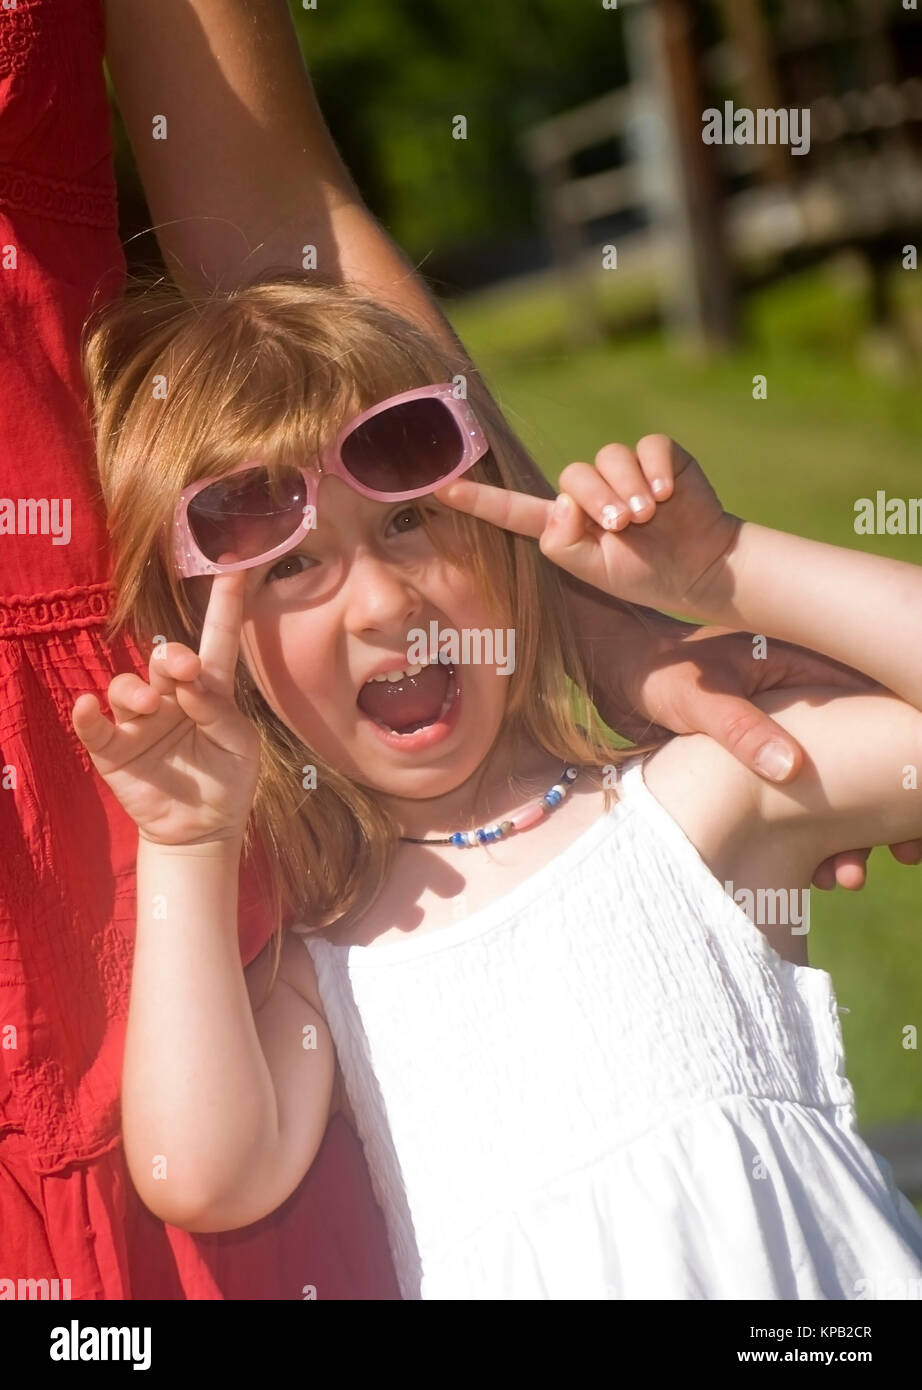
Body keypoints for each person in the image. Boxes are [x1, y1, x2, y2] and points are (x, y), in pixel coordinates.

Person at [0, 0, 914, 1301]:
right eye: (293, 564)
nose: (381, 603)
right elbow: (196, 1168)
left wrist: (727, 571)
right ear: (222, 645)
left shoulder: (693, 809)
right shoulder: (329, 972)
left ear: (509, 534)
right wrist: (188, 844)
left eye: (416, 516)